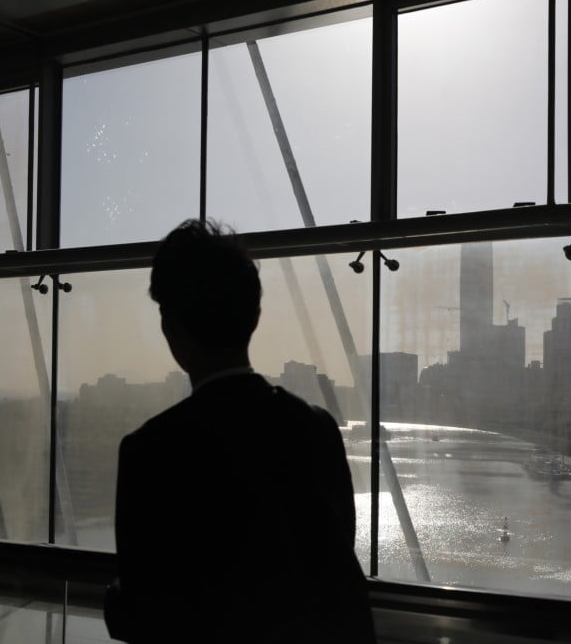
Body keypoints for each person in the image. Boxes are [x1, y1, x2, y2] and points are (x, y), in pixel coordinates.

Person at [104, 218, 376, 643]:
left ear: (170, 327)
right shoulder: (314, 429)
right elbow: (336, 571)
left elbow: (142, 609)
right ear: (254, 316)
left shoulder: (150, 452)